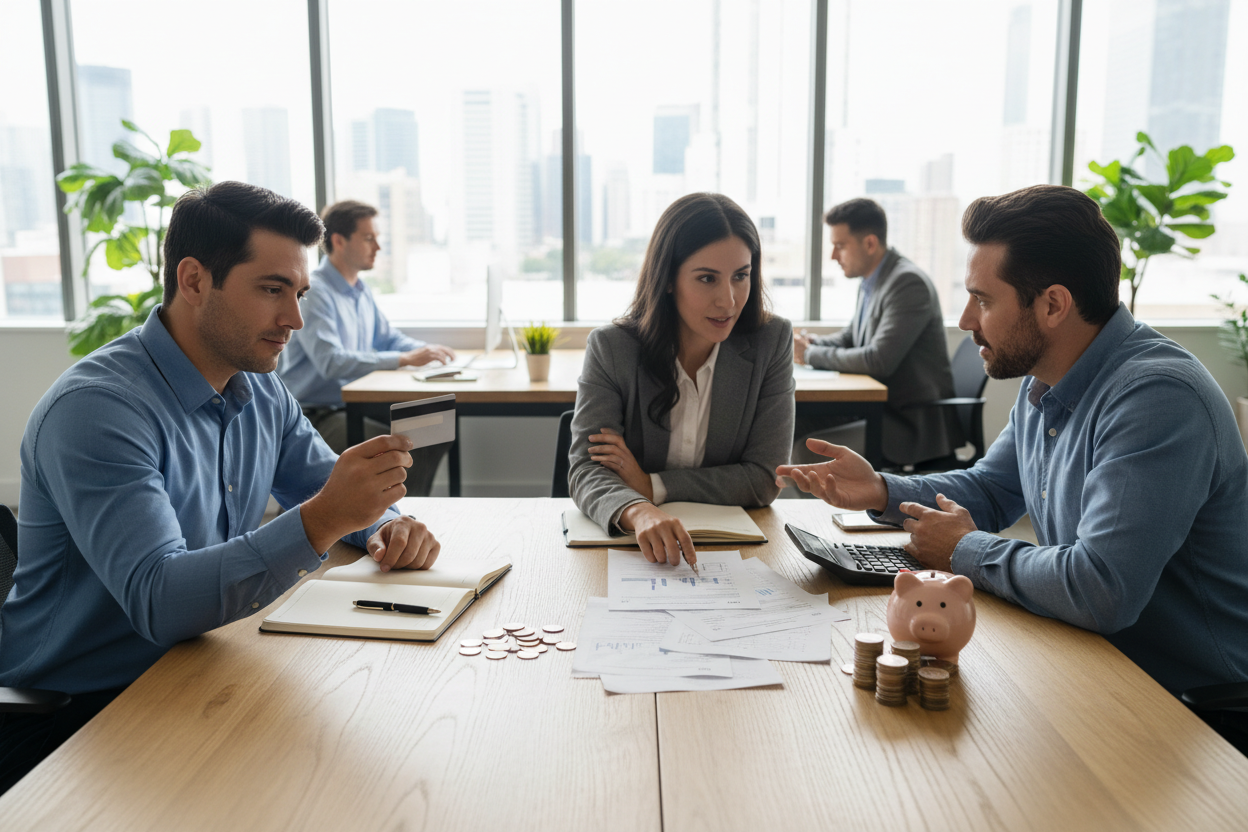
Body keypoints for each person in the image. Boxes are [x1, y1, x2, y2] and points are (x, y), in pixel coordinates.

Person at [0, 182, 442, 794]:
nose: (294, 320)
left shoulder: (259, 387)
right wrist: (324, 519)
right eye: (272, 290)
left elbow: (327, 485)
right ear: (194, 280)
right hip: (79, 716)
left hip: (202, 664)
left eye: (299, 294)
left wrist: (385, 523)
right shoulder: (98, 410)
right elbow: (160, 599)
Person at [777, 185, 1248, 752]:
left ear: (1052, 305)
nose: (964, 319)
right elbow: (991, 489)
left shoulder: (1157, 398)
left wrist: (963, 549)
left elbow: (1102, 589)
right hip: (1093, 662)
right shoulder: (1044, 381)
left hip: (1189, 708)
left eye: (982, 299)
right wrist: (880, 488)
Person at [569, 193, 795, 567]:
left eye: (741, 276)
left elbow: (763, 478)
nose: (728, 301)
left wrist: (651, 485)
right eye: (707, 278)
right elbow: (586, 469)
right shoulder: (612, 348)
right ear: (668, 279)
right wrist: (639, 509)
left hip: (736, 553)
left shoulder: (771, 341)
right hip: (636, 553)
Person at [279, 200, 456, 495]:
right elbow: (331, 362)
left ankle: (401, 509)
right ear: (339, 241)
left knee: (436, 429)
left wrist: (430, 352)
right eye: (369, 238)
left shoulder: (360, 290)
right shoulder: (315, 292)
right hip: (318, 413)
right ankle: (393, 512)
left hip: (354, 405)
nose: (378, 247)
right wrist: (404, 359)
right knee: (409, 444)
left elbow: (388, 338)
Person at [793, 198, 962, 467]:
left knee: (807, 451)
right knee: (792, 426)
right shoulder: (872, 281)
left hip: (907, 424)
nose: (833, 256)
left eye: (840, 246)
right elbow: (851, 337)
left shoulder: (907, 283)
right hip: (877, 411)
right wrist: (812, 342)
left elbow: (878, 360)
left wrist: (810, 354)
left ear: (870, 243)